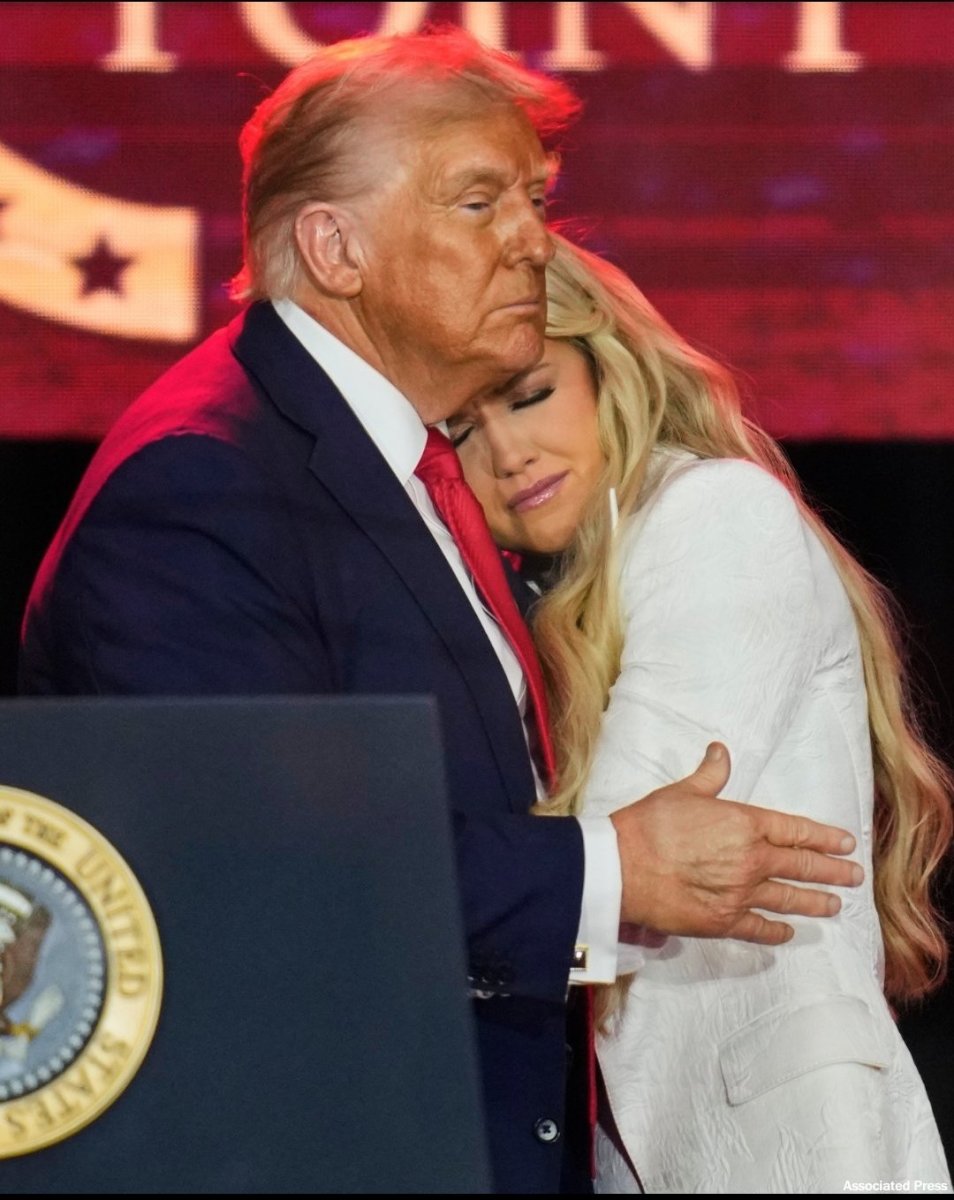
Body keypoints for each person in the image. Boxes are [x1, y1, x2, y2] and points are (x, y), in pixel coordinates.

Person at [19, 30, 862, 1194]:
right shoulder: (206, 480)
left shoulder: (402, 471)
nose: (532, 240)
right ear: (335, 247)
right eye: (480, 202)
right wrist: (608, 874)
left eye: (533, 199)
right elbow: (250, 872)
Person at [449, 232, 953, 1192]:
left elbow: (624, 840)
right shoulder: (552, 597)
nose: (511, 454)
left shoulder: (714, 514)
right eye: (464, 433)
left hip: (784, 1143)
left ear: (609, 373)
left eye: (529, 397)